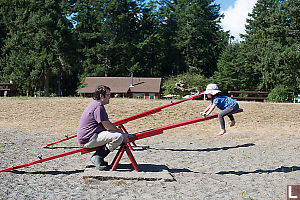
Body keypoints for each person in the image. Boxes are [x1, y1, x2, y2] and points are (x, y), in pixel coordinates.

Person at [77, 85, 130, 171]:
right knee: (118, 137)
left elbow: (106, 124)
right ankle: (98, 157)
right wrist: (122, 134)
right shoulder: (98, 107)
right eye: (108, 95)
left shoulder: (95, 103)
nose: (110, 97)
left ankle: (99, 157)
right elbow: (107, 125)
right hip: (89, 139)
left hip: (88, 137)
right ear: (102, 96)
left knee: (117, 135)